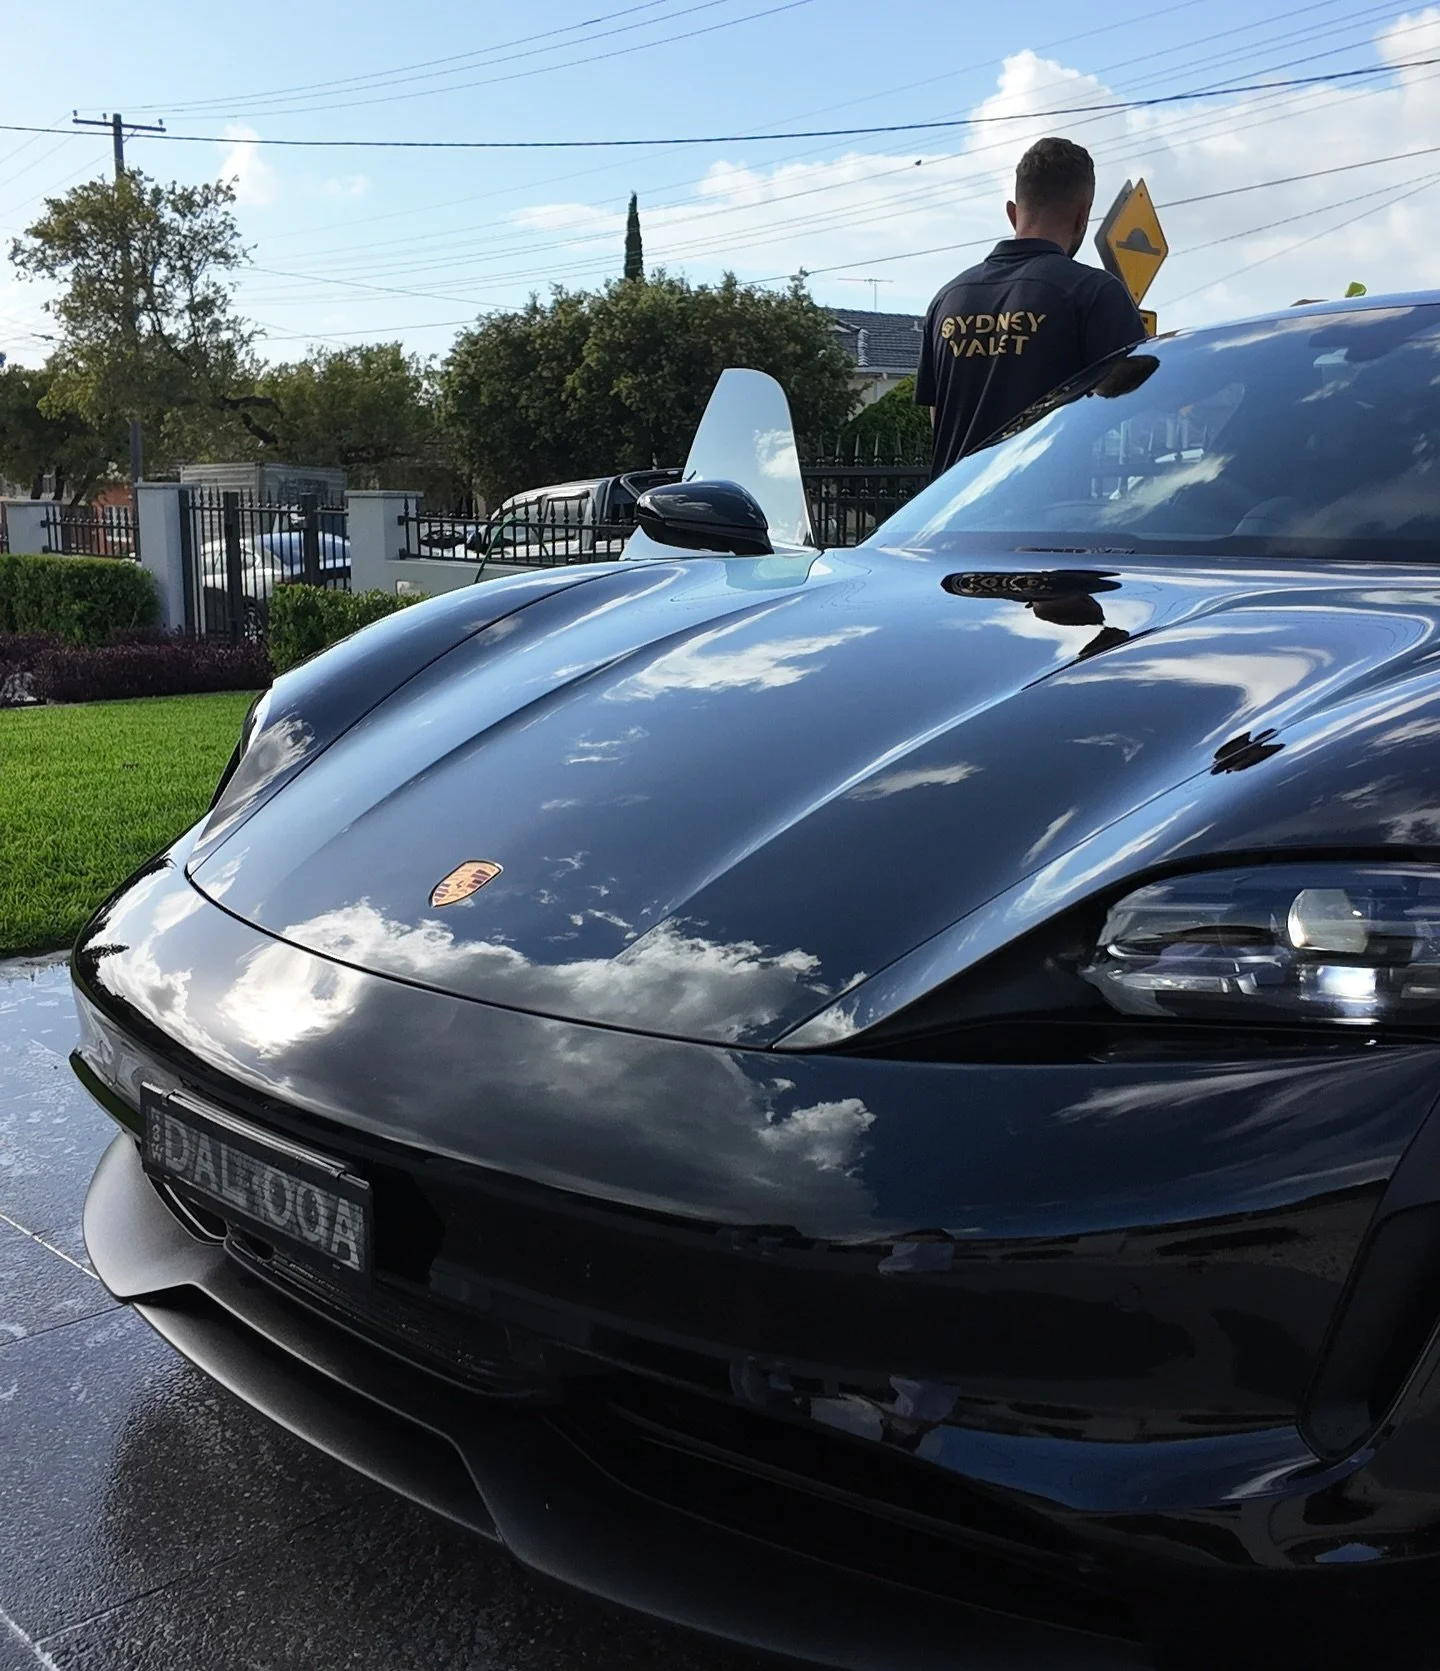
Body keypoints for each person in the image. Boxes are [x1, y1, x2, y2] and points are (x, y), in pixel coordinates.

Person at [915, 136, 1146, 478]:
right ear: (1082, 217)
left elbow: (939, 420)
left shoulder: (948, 299)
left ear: (1013, 212)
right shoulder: (1096, 294)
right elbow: (1134, 407)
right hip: (1045, 519)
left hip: (953, 519)